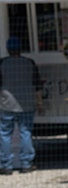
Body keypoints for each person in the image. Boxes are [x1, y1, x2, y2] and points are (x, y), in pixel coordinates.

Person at [0, 39, 41, 174]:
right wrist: (39, 102)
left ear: (8, 49)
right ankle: (26, 164)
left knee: (5, 134)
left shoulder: (2, 63)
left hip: (6, 103)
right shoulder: (29, 63)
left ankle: (6, 165)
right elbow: (37, 85)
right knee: (26, 133)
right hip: (27, 103)